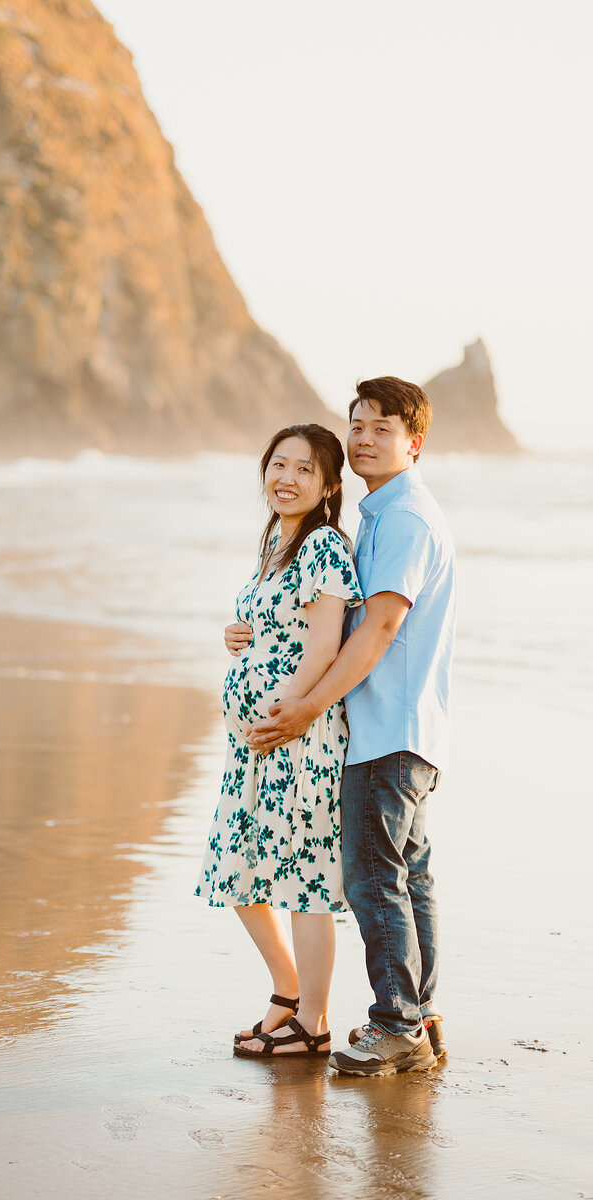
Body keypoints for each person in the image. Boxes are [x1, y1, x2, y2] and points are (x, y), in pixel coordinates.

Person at [245, 377, 456, 1076]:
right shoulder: (382, 514)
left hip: (386, 731)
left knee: (373, 881)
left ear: (413, 444)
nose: (364, 438)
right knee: (406, 878)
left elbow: (379, 631)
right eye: (357, 425)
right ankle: (418, 1017)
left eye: (382, 429)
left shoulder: (403, 519)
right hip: (404, 728)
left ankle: (395, 1025)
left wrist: (307, 707)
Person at [195, 423, 363, 1059]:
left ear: (327, 487)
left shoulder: (321, 547)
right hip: (253, 743)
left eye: (304, 469)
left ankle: (312, 1022)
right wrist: (239, 637)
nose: (286, 478)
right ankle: (287, 995)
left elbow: (325, 644)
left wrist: (288, 709)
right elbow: (275, 624)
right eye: (278, 464)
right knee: (241, 871)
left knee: (303, 880)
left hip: (298, 738)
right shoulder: (275, 544)